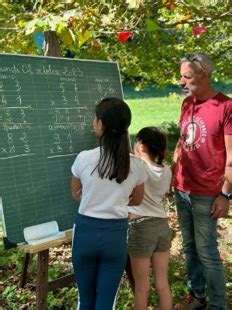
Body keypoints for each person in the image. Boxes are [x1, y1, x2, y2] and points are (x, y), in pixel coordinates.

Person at [71, 97, 147, 310]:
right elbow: (138, 200)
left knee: (85, 300)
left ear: (101, 124)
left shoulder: (84, 159)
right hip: (115, 235)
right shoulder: (137, 165)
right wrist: (119, 198)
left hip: (85, 232)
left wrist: (93, 194)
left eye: (95, 119)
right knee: (105, 302)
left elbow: (76, 193)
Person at [172, 52, 232, 310]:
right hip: (182, 188)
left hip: (207, 193)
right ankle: (197, 297)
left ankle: (218, 306)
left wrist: (225, 194)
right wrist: (172, 174)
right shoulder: (187, 104)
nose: (182, 83)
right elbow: (182, 141)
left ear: (204, 75)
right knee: (189, 247)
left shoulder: (226, 107)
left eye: (186, 77)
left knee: (207, 252)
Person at [128, 126, 172, 310]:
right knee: (162, 283)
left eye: (136, 141)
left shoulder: (136, 165)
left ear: (142, 146)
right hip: (162, 226)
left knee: (141, 288)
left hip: (141, 227)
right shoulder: (167, 170)